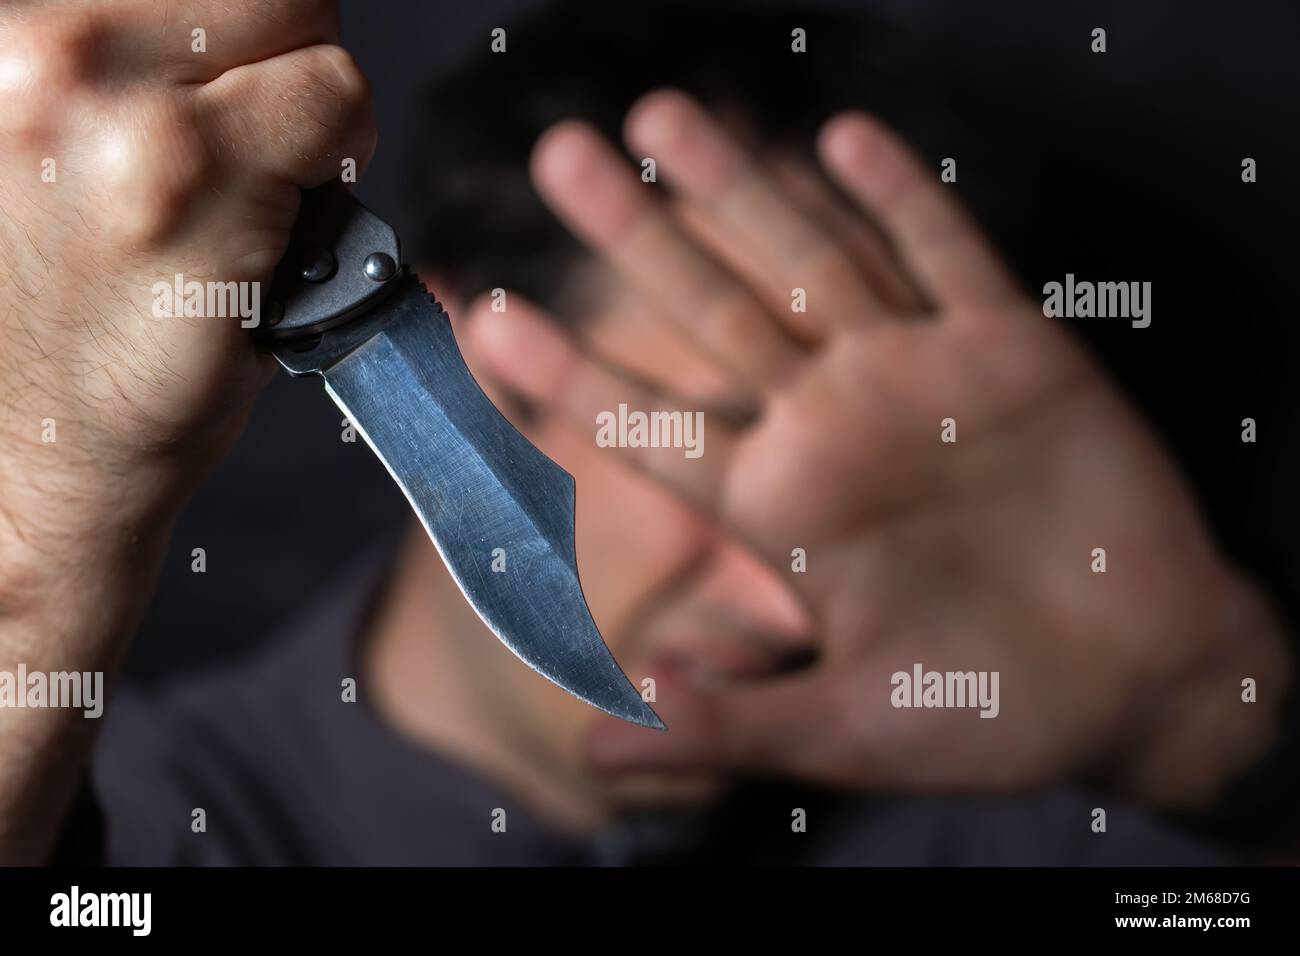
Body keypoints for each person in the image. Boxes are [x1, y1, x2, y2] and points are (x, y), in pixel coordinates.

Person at [0, 0, 1289, 865]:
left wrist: (1199, 714)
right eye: (714, 436)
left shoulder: (1029, 810)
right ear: (467, 358)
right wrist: (40, 551)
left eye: (880, 481)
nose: (788, 611)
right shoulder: (134, 826)